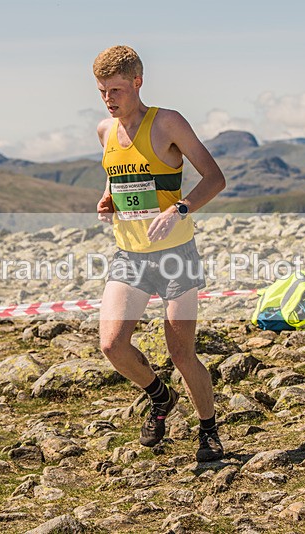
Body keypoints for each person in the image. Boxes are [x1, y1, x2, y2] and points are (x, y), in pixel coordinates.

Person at [93, 45, 226, 461]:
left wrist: (180, 207)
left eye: (116, 89)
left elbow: (215, 178)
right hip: (129, 254)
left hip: (174, 254)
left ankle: (208, 431)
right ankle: (159, 396)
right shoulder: (105, 131)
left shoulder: (167, 122)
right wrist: (108, 199)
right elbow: (122, 178)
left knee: (182, 353)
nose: (109, 99)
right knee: (112, 345)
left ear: (138, 82)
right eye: (101, 91)